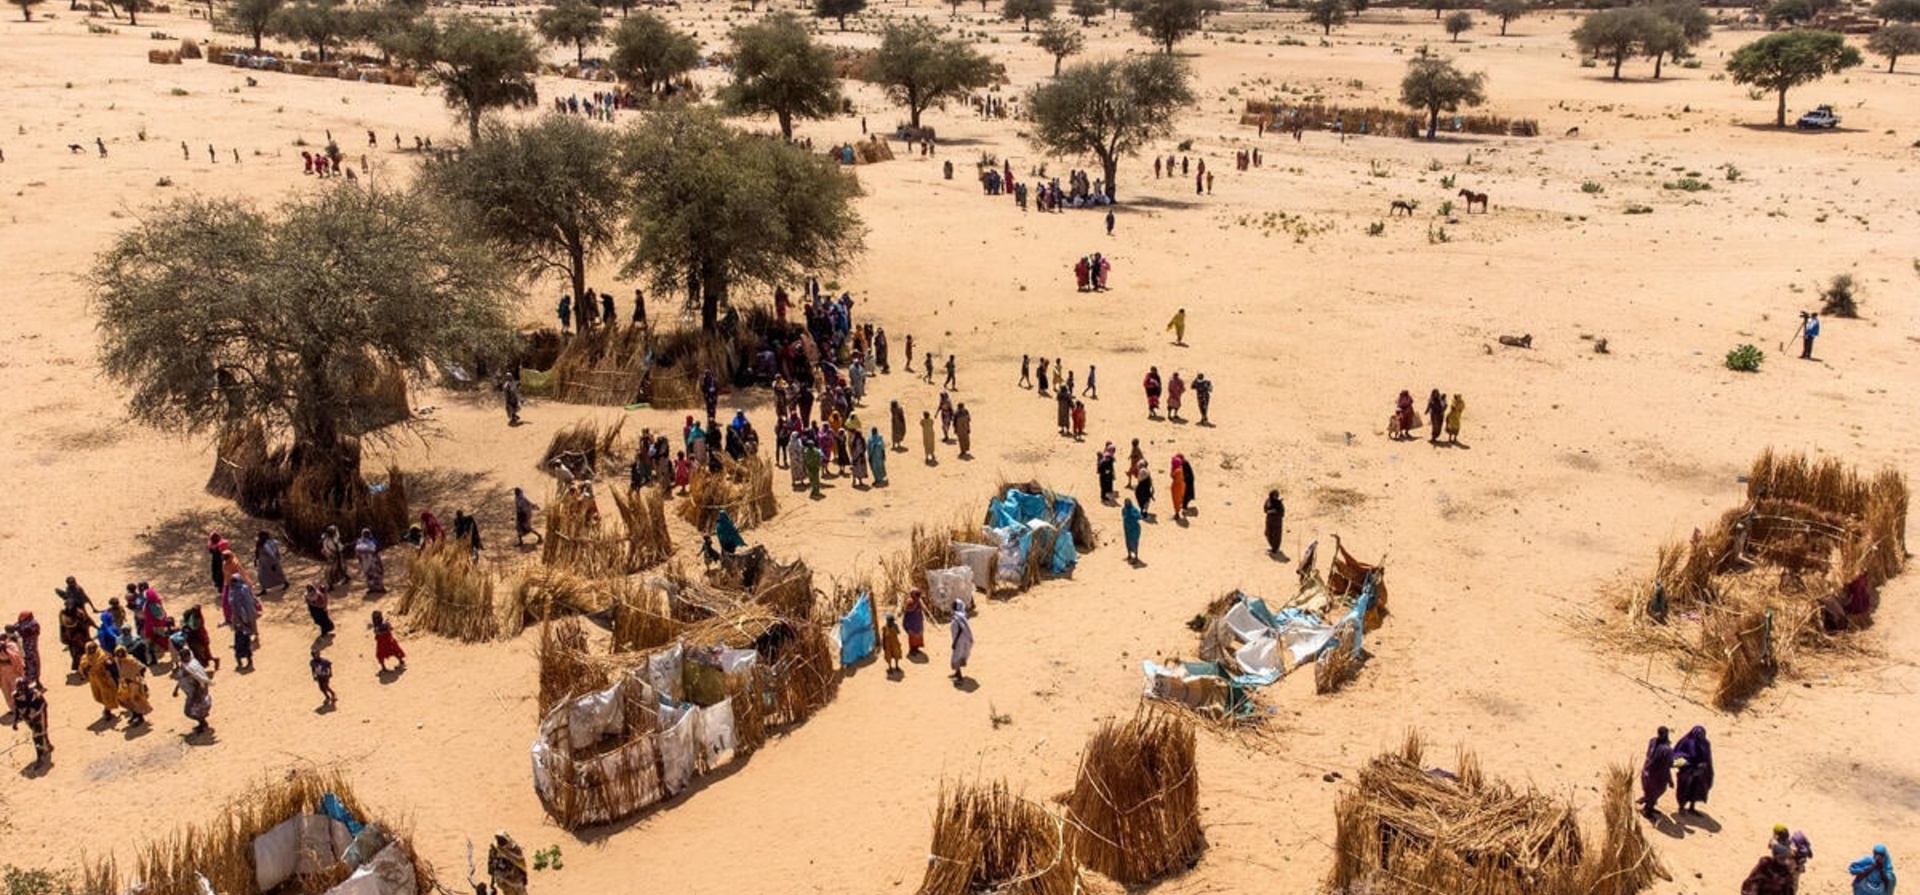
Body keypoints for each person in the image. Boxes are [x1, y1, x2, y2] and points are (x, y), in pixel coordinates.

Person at [171, 642, 213, 733]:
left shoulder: (192, 667)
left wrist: (195, 695)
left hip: (195, 693)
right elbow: (181, 677)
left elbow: (199, 680)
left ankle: (203, 723)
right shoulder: (184, 665)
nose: (181, 659)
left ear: (188, 656)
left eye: (183, 657)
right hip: (190, 693)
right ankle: (202, 723)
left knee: (189, 712)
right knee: (194, 710)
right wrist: (176, 689)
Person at [1672, 725, 1713, 814]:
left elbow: (1708, 758)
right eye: (1698, 735)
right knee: (1684, 788)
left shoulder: (1705, 743)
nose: (1700, 737)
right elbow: (1676, 756)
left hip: (1700, 772)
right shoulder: (1686, 742)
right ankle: (1682, 807)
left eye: (1702, 735)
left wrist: (1706, 767)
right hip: (1687, 771)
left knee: (1697, 788)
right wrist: (1689, 762)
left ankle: (1692, 807)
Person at [10, 679, 50, 767]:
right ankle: (47, 744)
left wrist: (36, 715)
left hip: (38, 716)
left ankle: (40, 757)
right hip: (28, 718)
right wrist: (15, 721)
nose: (21, 690)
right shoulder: (16, 696)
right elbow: (17, 708)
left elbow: (43, 705)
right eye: (19, 687)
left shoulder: (34, 695)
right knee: (38, 733)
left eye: (22, 687)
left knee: (37, 735)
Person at [225, 573, 260, 670]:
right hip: (243, 612)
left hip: (245, 610)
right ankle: (251, 634)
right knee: (248, 624)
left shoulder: (241, 589)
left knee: (248, 624)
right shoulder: (235, 590)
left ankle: (252, 634)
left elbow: (249, 596)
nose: (233, 583)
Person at [1638, 726, 1675, 817]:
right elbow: (1668, 765)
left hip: (1647, 771)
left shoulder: (1652, 741)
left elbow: (1649, 755)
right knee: (1657, 792)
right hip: (1658, 776)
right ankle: (1648, 811)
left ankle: (1646, 800)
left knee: (1649, 790)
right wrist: (1670, 780)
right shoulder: (1667, 750)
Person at [114, 645, 152, 726]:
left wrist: (139, 678)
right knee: (125, 699)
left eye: (121, 653)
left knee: (136, 700)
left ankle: (140, 717)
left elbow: (142, 667)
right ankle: (134, 714)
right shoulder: (117, 661)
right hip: (124, 683)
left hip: (134, 683)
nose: (120, 655)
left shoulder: (130, 660)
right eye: (118, 653)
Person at [81, 641, 119, 721]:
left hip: (105, 679)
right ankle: (107, 709)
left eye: (93, 648)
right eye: (89, 649)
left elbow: (110, 662)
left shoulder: (102, 655)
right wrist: (86, 668)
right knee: (98, 696)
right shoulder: (85, 658)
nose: (91, 650)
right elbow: (82, 668)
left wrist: (108, 663)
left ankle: (107, 711)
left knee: (107, 695)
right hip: (95, 680)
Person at [180, 605, 218, 671]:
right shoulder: (193, 617)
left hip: (201, 637)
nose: (193, 612)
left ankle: (212, 662)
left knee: (204, 653)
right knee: (203, 653)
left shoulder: (199, 619)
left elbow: (195, 628)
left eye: (194, 611)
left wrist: (188, 628)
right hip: (197, 638)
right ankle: (211, 662)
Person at [949, 601, 974, 684]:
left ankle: (959, 677)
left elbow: (960, 630)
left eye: (954, 605)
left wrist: (955, 642)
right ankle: (957, 673)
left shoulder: (957, 617)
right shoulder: (961, 616)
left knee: (956, 657)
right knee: (958, 656)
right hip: (963, 640)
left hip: (959, 640)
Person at [356, 528, 387, 594]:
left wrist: (361, 560)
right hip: (374, 560)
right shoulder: (372, 540)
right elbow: (377, 549)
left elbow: (357, 553)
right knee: (377, 574)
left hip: (365, 561)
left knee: (369, 575)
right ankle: (380, 588)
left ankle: (371, 588)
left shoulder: (359, 541)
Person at [902, 589, 927, 657]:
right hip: (911, 622)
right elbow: (906, 609)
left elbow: (924, 608)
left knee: (918, 635)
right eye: (917, 595)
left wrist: (921, 604)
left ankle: (916, 648)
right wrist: (914, 607)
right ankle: (912, 650)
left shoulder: (919, 600)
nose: (918, 597)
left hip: (918, 621)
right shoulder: (910, 600)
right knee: (912, 636)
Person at [1264, 490, 1286, 555]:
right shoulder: (1268, 501)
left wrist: (1276, 511)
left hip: (1277, 522)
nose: (1276, 496)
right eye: (1275, 495)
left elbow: (1282, 513)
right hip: (1269, 520)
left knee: (1276, 535)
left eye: (1277, 495)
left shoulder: (1279, 503)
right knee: (1268, 533)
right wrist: (1269, 511)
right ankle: (1272, 547)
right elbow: (1265, 509)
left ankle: (1275, 549)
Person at [1123, 498, 1143, 563]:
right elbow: (1123, 516)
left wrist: (1133, 516)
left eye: (1127, 502)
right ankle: (1129, 555)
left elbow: (1140, 517)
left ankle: (1136, 557)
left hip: (1134, 529)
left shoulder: (1134, 510)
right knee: (1128, 542)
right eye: (1125, 502)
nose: (1126, 504)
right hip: (1127, 528)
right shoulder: (1124, 509)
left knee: (1134, 542)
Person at [1170, 456, 1189, 520]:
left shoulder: (1177, 471)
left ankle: (1177, 514)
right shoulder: (1182, 469)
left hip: (1176, 487)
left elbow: (1172, 475)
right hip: (1182, 486)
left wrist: (1172, 468)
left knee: (1176, 500)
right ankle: (1183, 510)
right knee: (1181, 498)